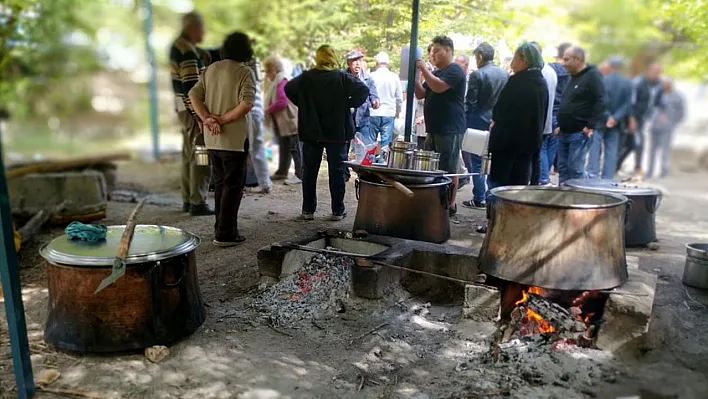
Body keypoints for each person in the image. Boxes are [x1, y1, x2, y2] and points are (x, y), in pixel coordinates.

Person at [285, 45, 369, 221]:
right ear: (332, 57)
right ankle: (338, 210)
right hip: (337, 131)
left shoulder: (307, 78)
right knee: (337, 171)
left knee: (309, 170)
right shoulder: (341, 77)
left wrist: (304, 104)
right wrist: (349, 103)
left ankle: (308, 210)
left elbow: (288, 88)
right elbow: (363, 90)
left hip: (311, 130)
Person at [188, 31, 256, 247]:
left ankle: (220, 228)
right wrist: (223, 119)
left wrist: (208, 118)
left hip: (212, 139)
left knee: (219, 184)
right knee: (233, 186)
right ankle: (226, 233)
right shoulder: (245, 72)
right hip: (234, 139)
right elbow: (246, 104)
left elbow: (193, 95)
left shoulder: (210, 69)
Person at [414, 35, 466, 216]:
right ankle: (435, 199)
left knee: (449, 167)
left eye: (436, 51)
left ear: (448, 50)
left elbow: (438, 87)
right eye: (431, 52)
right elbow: (421, 94)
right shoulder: (435, 73)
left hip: (450, 127)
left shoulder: (455, 70)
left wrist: (424, 70)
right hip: (433, 128)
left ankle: (450, 204)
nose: (432, 55)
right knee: (432, 165)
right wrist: (415, 78)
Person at [486, 42, 548, 192]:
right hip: (528, 146)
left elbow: (499, 112)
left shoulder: (517, 83)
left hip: (507, 145)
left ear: (524, 60)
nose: (512, 63)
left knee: (499, 188)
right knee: (518, 188)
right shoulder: (541, 83)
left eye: (515, 58)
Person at [169, 11, 213, 216]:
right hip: (191, 109)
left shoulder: (178, 46)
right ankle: (198, 200)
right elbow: (191, 87)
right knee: (201, 154)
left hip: (181, 107)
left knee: (189, 154)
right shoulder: (187, 51)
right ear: (193, 28)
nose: (204, 32)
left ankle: (188, 198)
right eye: (202, 28)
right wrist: (200, 114)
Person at [461, 43, 509, 208]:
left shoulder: (478, 75)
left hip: (478, 121)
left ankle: (479, 196)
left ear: (480, 56)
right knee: (493, 161)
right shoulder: (505, 74)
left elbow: (471, 102)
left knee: (476, 160)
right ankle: (493, 196)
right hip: (498, 122)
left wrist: (466, 123)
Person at [556, 46, 605, 184]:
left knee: (575, 170)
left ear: (578, 59)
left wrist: (590, 126)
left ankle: (581, 200)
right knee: (563, 169)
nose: (563, 63)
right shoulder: (572, 77)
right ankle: (563, 200)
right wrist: (561, 125)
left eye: (567, 59)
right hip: (564, 132)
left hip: (579, 133)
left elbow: (601, 100)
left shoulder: (592, 76)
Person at [587, 57, 632, 180]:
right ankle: (607, 177)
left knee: (594, 148)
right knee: (611, 150)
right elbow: (628, 104)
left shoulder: (603, 80)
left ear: (610, 66)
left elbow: (600, 101)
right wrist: (615, 117)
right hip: (617, 123)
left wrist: (607, 116)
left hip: (600, 119)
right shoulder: (628, 82)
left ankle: (592, 174)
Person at [617, 62, 663, 176]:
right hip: (632, 117)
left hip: (643, 118)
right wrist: (631, 119)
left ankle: (618, 165)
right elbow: (630, 102)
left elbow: (658, 102)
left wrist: (661, 113)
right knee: (636, 143)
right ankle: (637, 168)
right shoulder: (637, 83)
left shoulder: (659, 84)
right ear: (648, 71)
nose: (657, 74)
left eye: (658, 72)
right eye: (654, 71)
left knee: (631, 143)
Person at [264, 55, 302, 185]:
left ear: (274, 69)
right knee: (285, 147)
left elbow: (282, 101)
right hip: (283, 122)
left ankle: (299, 174)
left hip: (290, 121)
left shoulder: (282, 81)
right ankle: (282, 171)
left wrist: (267, 110)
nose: (267, 75)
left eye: (268, 71)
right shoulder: (279, 81)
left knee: (294, 148)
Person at [345, 50, 379, 180]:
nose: (357, 64)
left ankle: (364, 175)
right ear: (349, 63)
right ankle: (345, 174)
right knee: (344, 148)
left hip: (363, 118)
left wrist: (375, 101)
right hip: (346, 118)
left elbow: (374, 95)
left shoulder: (368, 79)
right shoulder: (343, 76)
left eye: (360, 60)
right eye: (354, 61)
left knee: (366, 148)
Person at [528, 42, 557, 187]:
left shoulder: (540, 73)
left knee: (538, 154)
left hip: (539, 122)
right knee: (542, 152)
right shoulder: (550, 71)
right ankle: (542, 179)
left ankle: (542, 179)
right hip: (547, 120)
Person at [243, 58, 274, 193]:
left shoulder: (244, 72)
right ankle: (264, 182)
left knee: (254, 148)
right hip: (255, 113)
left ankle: (264, 183)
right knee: (257, 148)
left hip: (251, 113)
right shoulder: (252, 72)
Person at [647, 78, 685, 178]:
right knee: (652, 150)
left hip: (667, 127)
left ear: (670, 85)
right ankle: (649, 171)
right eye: (663, 84)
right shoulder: (657, 94)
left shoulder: (677, 96)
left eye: (666, 84)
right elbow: (650, 107)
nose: (664, 86)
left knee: (664, 150)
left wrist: (672, 122)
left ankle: (663, 172)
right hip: (654, 126)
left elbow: (681, 113)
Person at [370, 52, 402, 157]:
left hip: (373, 112)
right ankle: (383, 161)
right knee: (386, 143)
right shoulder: (394, 77)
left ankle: (370, 164)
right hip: (389, 112)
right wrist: (397, 112)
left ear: (377, 62)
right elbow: (399, 98)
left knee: (371, 143)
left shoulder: (371, 76)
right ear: (387, 63)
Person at [548, 43, 572, 177]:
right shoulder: (570, 74)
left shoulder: (549, 69)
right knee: (554, 144)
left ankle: (545, 174)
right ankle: (553, 168)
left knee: (545, 145)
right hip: (560, 112)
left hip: (548, 111)